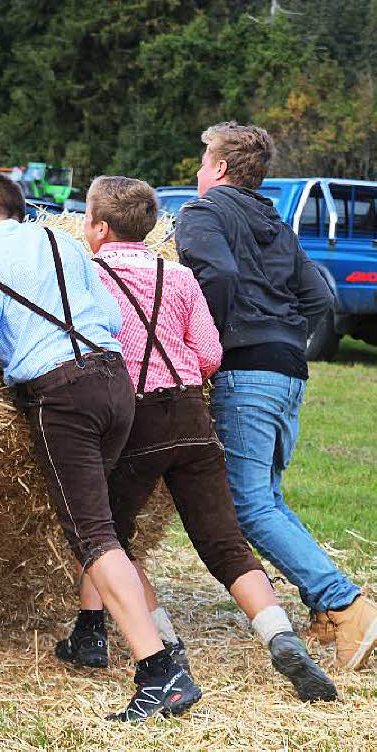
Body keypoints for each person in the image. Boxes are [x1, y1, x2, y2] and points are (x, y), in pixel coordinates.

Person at [60, 175, 336, 703]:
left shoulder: (88, 275)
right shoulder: (178, 275)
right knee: (225, 543)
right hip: (191, 415)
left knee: (111, 542)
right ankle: (280, 635)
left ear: (97, 226)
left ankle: (164, 644)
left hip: (133, 417)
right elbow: (209, 353)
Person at [0, 174, 201, 721]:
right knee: (101, 521)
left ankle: (159, 671)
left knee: (94, 535)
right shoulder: (63, 241)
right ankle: (90, 634)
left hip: (63, 395)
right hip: (115, 381)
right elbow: (108, 317)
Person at [177, 122, 377, 671]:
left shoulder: (201, 214)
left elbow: (215, 272)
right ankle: (325, 608)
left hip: (244, 372)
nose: (198, 173)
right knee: (268, 497)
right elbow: (319, 296)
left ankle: (346, 603)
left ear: (218, 169)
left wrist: (209, 345)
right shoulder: (276, 222)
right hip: (288, 371)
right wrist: (284, 338)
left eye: (202, 162)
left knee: (247, 506)